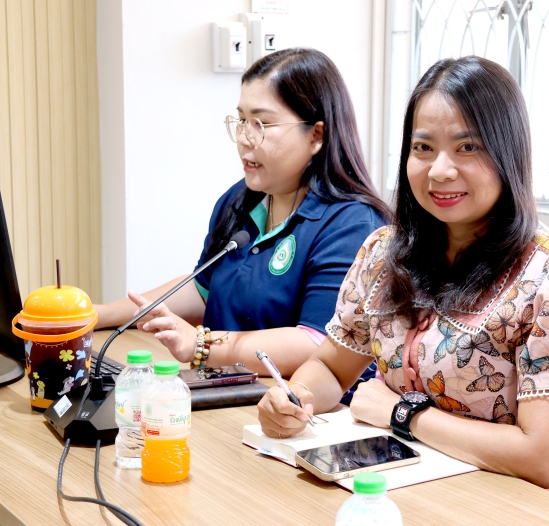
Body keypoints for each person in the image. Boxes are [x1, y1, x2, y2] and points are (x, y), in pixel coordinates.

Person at [257, 56, 549, 507]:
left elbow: (544, 458)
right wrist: (295, 398)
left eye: (467, 147)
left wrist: (403, 415)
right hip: (414, 489)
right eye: (423, 148)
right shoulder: (383, 251)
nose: (439, 171)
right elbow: (332, 368)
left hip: (521, 507)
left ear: (508, 152)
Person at [95, 48, 391, 402]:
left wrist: (202, 345)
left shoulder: (353, 224)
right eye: (241, 121)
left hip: (305, 412)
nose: (244, 138)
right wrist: (98, 315)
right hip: (228, 397)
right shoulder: (240, 200)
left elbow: (317, 342)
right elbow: (203, 289)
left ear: (316, 136)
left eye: (262, 124)